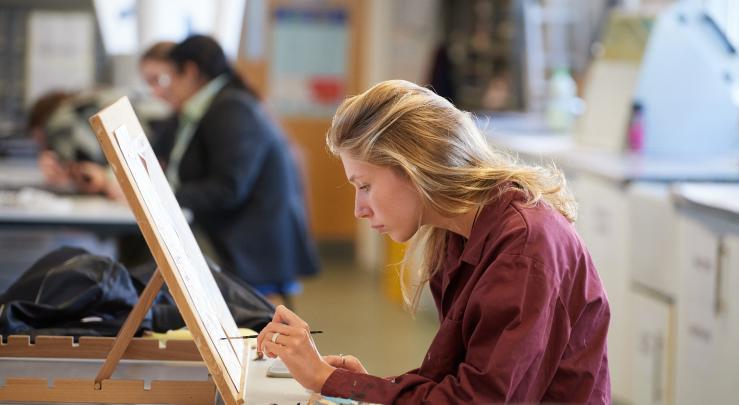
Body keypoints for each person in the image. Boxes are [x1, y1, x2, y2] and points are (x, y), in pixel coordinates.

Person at [256, 80, 611, 404]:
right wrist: (358, 385)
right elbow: (456, 381)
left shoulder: (523, 249)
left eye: (364, 186)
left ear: (414, 168)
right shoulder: (459, 236)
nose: (359, 210)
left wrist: (330, 380)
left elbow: (477, 400)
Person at [83, 35, 319, 304]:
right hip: (227, 233)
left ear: (191, 72)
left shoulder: (231, 109)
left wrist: (159, 196)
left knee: (151, 265)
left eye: (168, 78)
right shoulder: (197, 109)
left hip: (247, 244)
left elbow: (228, 189)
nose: (163, 90)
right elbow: (150, 154)